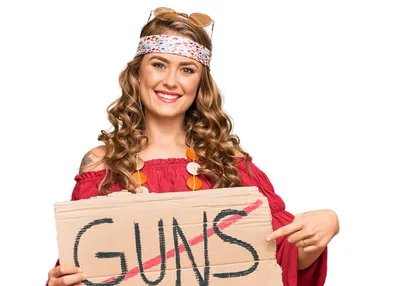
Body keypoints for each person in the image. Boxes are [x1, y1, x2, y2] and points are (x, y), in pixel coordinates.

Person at [46, 7, 339, 286]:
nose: (171, 81)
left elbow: (279, 256)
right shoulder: (102, 165)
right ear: (137, 74)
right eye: (159, 65)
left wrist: (325, 225)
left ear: (201, 83)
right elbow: (80, 265)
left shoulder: (228, 163)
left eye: (187, 69)